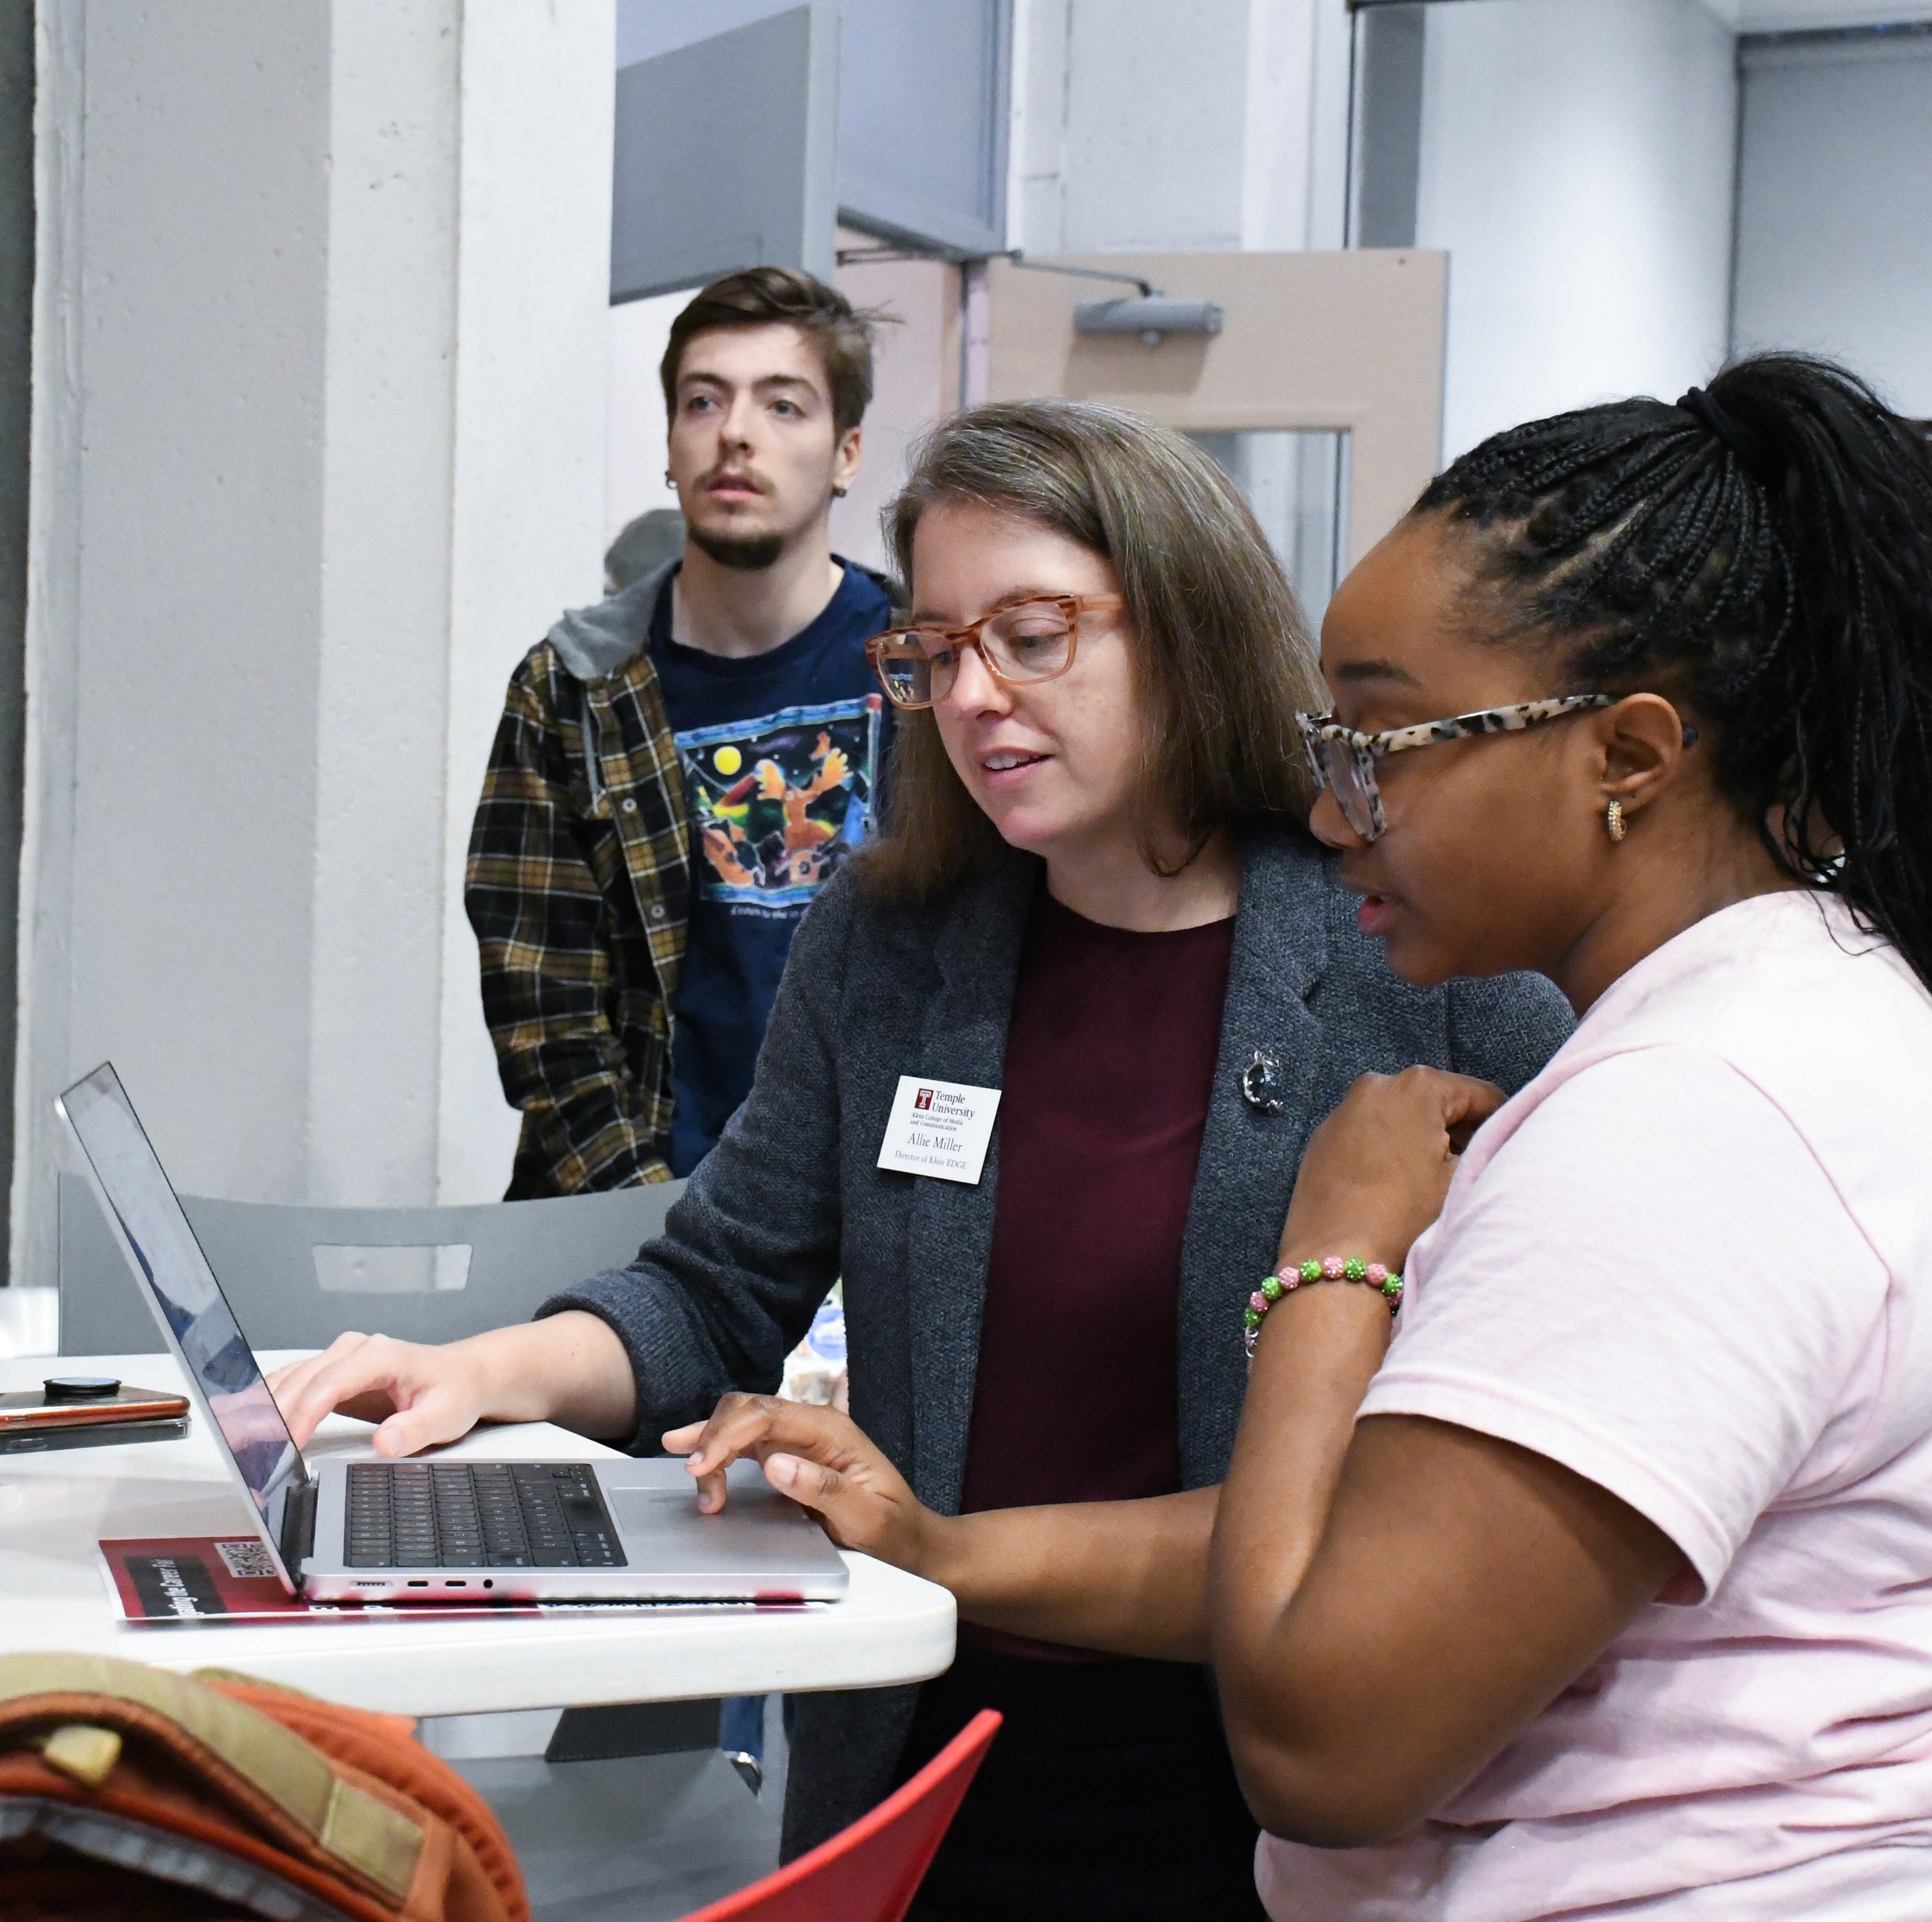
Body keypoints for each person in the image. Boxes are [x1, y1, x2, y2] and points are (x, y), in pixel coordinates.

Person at [275, 399, 1574, 1919]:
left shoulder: (1415, 965)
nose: (973, 697)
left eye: (1033, 637)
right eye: (935, 651)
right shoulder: (889, 943)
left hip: (1270, 1783)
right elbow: (716, 1287)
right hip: (924, 1743)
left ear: (1187, 630)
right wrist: (483, 1372)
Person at [1202, 354, 1932, 1919]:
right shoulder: (1794, 1011)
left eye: (1381, 746)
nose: (1335, 813)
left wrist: (1336, 1251)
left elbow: (1326, 1743)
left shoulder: (1700, 1119)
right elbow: (1429, 1533)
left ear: (1630, 759)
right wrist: (950, 1554)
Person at [468, 267, 899, 1196]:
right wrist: (662, 1248)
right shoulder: (575, 687)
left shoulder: (929, 674)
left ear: (847, 453)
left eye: (784, 406)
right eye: (703, 401)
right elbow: (547, 1017)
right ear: (672, 444)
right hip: (639, 1214)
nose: (736, 432)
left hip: (875, 1221)